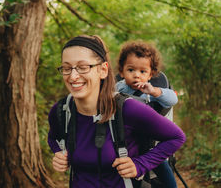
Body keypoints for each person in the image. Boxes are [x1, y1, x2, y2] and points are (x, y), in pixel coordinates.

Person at [48, 35, 185, 188]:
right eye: (66, 68)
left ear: (103, 70)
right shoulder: (62, 111)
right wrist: (58, 153)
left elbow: (176, 137)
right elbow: (53, 137)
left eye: (83, 67)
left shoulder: (127, 109)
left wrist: (140, 164)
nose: (73, 76)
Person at [116, 40, 178, 187]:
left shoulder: (150, 91)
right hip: (124, 144)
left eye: (143, 72)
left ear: (151, 74)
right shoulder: (118, 88)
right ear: (122, 72)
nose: (137, 75)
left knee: (162, 167)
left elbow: (173, 99)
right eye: (131, 70)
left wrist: (154, 91)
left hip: (148, 145)